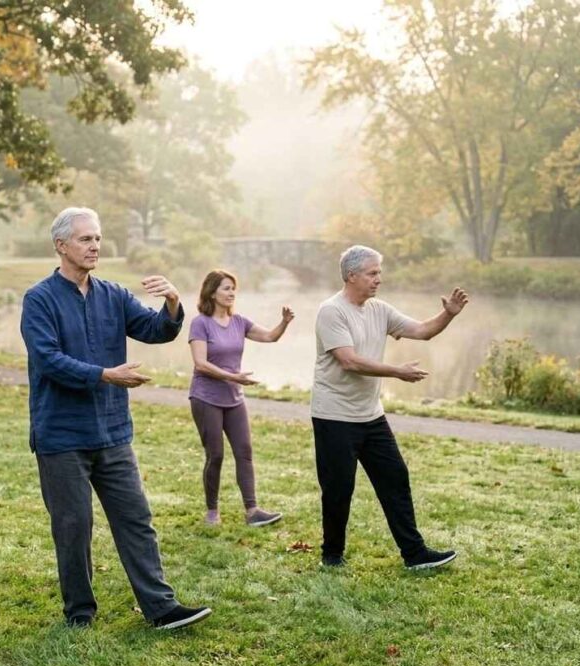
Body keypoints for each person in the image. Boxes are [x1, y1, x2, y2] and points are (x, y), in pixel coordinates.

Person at [21, 207, 212, 631]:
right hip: (61, 435)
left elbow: (156, 330)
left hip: (112, 432)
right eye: (85, 239)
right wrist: (106, 374)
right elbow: (48, 360)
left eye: (98, 239)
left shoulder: (113, 294)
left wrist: (174, 303)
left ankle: (161, 608)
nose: (94, 246)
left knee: (136, 518)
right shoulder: (39, 299)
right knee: (74, 527)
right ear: (61, 245)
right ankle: (80, 612)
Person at [311, 245, 469, 571]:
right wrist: (398, 371)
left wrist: (448, 314)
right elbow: (349, 361)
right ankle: (332, 555)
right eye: (372, 273)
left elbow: (422, 331)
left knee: (395, 478)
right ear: (351, 275)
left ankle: (414, 553)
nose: (378, 279)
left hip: (371, 415)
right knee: (339, 488)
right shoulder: (332, 311)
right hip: (334, 416)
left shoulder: (379, 309)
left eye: (379, 272)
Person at [188, 269, 294, 527]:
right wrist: (233, 377)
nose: (231, 292)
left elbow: (269, 336)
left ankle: (252, 511)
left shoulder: (240, 322)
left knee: (244, 453)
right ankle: (212, 511)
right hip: (206, 397)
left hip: (234, 398)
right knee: (215, 455)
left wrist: (285, 322)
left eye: (233, 288)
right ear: (212, 292)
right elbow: (200, 364)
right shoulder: (200, 323)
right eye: (226, 288)